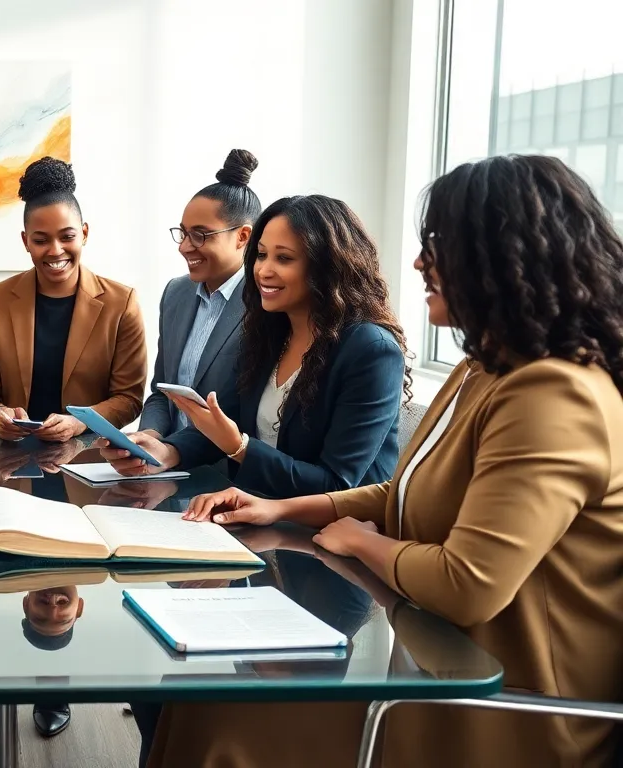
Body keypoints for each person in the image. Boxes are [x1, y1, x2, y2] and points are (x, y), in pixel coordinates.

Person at [169, 154, 623, 768]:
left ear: (499, 257)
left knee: (224, 718)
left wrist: (363, 542)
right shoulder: (483, 368)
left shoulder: (555, 393)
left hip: (510, 710)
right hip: (434, 662)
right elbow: (403, 489)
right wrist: (278, 507)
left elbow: (467, 585)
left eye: (437, 245)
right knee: (203, 701)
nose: (418, 263)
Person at [101, 195, 407, 499]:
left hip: (332, 524)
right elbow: (225, 423)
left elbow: (337, 486)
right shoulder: (269, 334)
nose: (263, 271)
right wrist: (166, 451)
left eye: (284, 258)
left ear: (326, 266)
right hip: (252, 509)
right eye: (261, 255)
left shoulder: (372, 350)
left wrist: (240, 447)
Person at [0, 156, 147, 443]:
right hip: (13, 456)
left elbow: (129, 398)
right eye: (41, 241)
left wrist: (79, 422)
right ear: (26, 241)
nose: (55, 250)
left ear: (84, 234)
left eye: (67, 237)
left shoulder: (121, 303)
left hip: (88, 456)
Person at [139, 150, 261, 438]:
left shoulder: (264, 304)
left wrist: (174, 451)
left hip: (225, 461)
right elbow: (161, 391)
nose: (184, 247)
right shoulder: (176, 293)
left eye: (200, 235)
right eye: (183, 233)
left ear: (242, 236)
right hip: (166, 458)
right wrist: (149, 437)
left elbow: (249, 415)